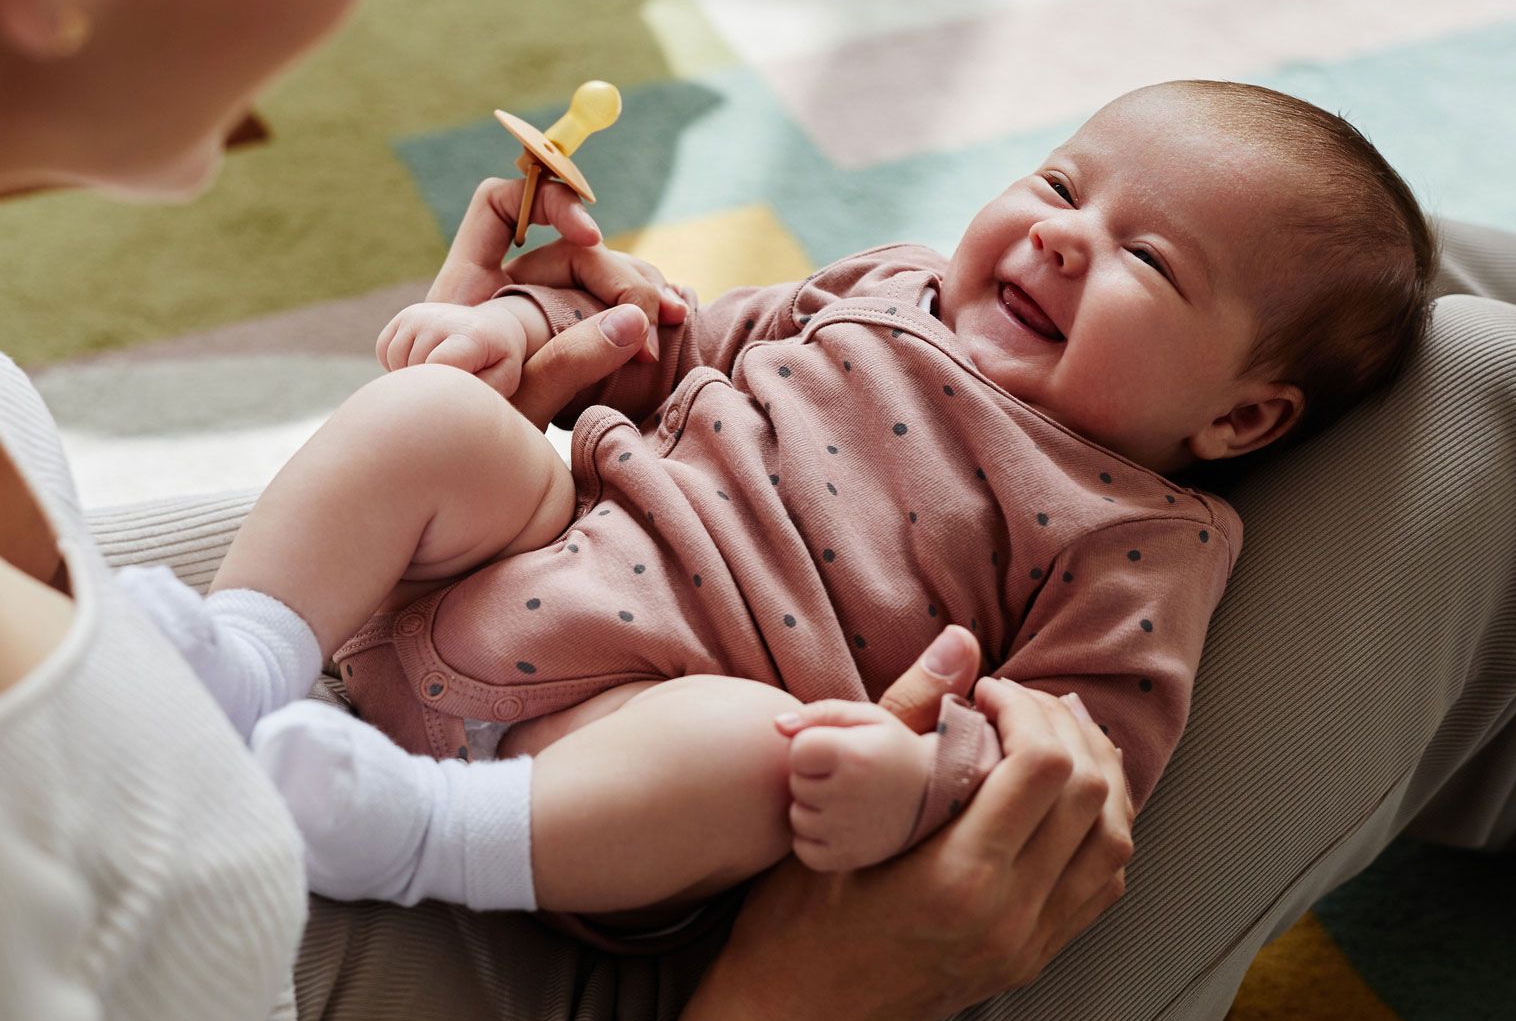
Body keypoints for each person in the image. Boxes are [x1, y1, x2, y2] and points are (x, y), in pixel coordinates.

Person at [0, 0, 1134, 1021]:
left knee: (1365, 301)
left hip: (437, 647)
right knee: (1466, 390)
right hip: (393, 1015)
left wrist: (434, 450)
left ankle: (246, 650)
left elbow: (52, 609)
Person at [144, 80, 1434, 946]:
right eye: (1058, 185)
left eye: (1149, 260)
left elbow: (1081, 744)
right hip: (553, 534)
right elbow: (657, 343)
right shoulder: (890, 285)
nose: (1059, 239)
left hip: (622, 738)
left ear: (1241, 421)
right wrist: (511, 324)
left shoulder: (1144, 533)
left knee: (754, 747)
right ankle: (245, 655)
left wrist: (912, 783)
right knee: (435, 424)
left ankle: (420, 835)